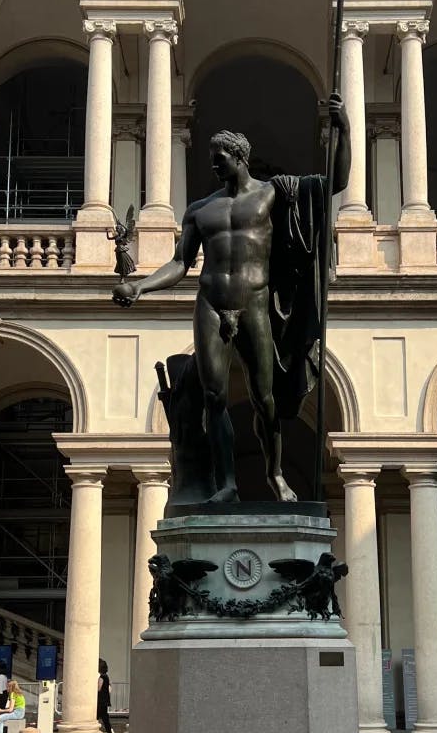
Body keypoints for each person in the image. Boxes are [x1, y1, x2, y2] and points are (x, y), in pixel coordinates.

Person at [113, 95, 350, 504]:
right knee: (213, 397)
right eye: (212, 158)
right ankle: (227, 484)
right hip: (210, 303)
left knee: (264, 397)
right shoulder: (200, 210)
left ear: (239, 157)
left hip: (254, 302)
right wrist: (140, 286)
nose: (214, 165)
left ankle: (275, 474)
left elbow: (337, 182)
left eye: (220, 158)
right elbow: (179, 263)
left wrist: (343, 128)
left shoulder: (273, 195)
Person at [97, 658, 118, 733]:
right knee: (104, 717)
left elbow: (99, 688)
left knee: (98, 717)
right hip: (105, 699)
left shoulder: (101, 677)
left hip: (100, 700)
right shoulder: (107, 676)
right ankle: (110, 732)